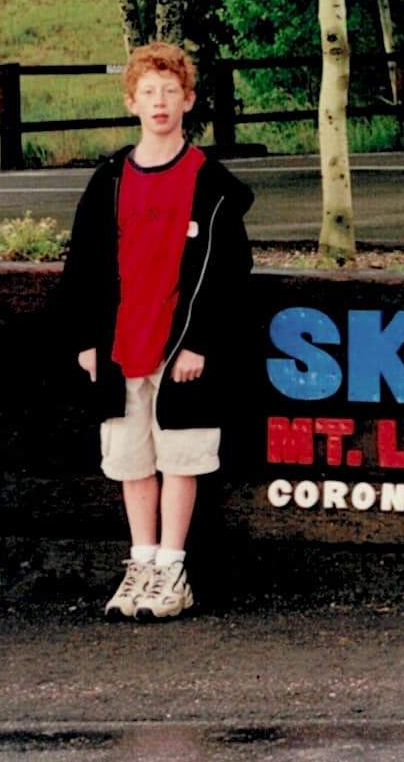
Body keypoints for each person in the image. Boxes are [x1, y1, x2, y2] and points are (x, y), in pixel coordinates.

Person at [57, 42, 254, 621]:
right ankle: (141, 564)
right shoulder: (111, 179)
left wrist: (200, 343)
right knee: (131, 459)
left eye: (171, 91)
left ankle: (172, 569)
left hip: (180, 350)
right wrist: (88, 340)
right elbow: (85, 266)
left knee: (181, 458)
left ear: (189, 100)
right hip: (122, 347)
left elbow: (227, 273)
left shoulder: (210, 183)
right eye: (149, 93)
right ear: (132, 103)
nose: (160, 102)